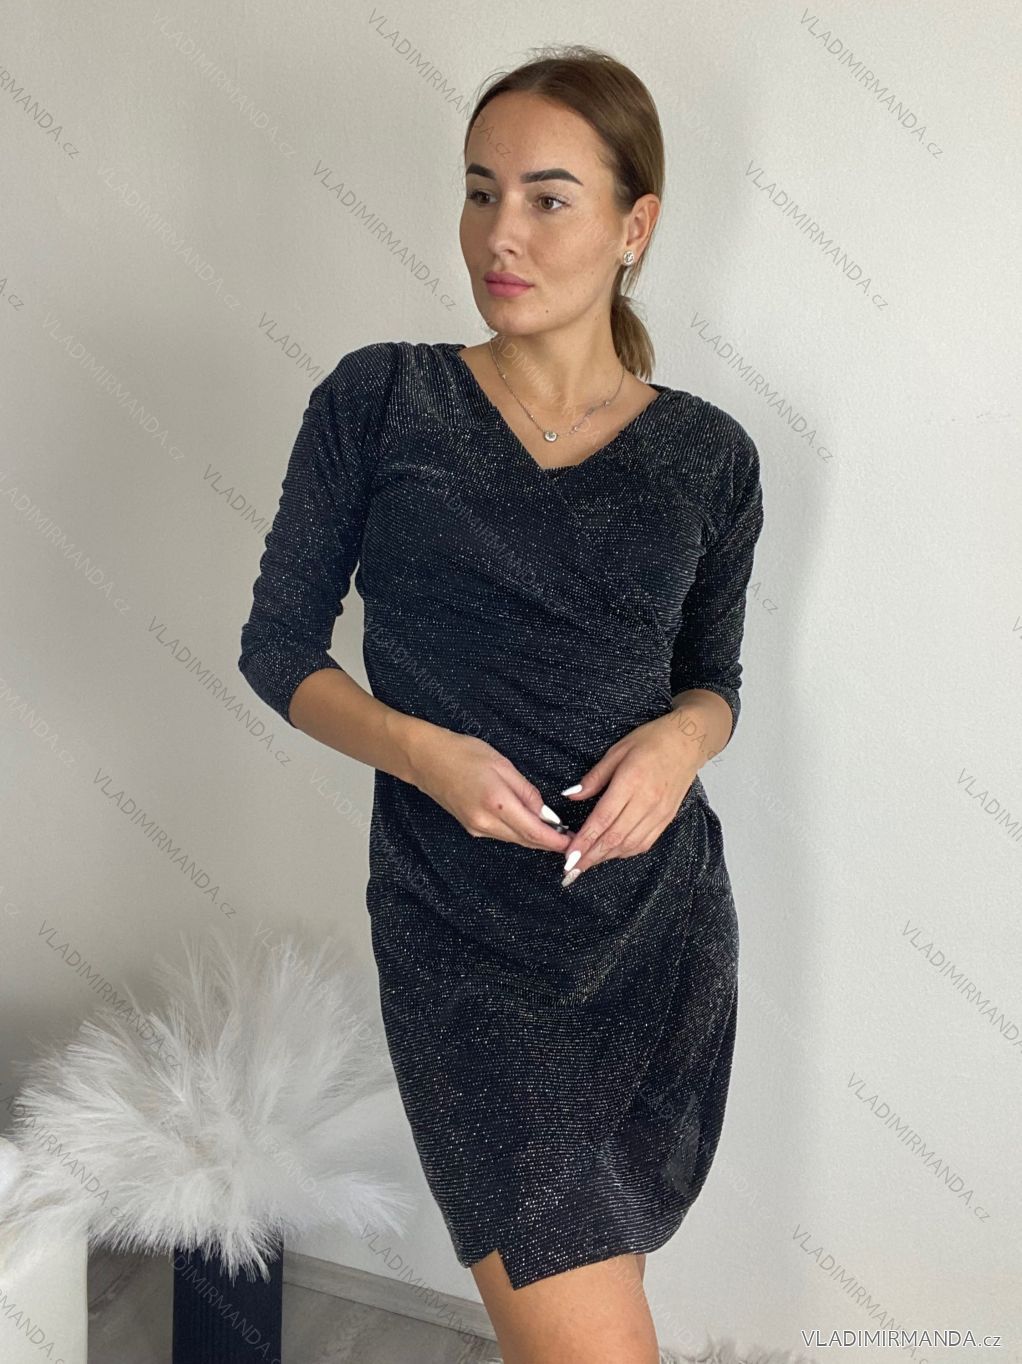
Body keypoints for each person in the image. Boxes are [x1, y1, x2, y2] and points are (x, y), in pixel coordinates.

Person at [239, 44, 765, 1364]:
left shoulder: (710, 455)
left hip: (652, 925)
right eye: (479, 192)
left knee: (597, 1311)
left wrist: (681, 738)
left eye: (545, 198)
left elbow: (715, 679)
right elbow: (278, 649)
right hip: (458, 932)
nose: (497, 235)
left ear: (634, 226)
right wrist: (424, 755)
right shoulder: (381, 401)